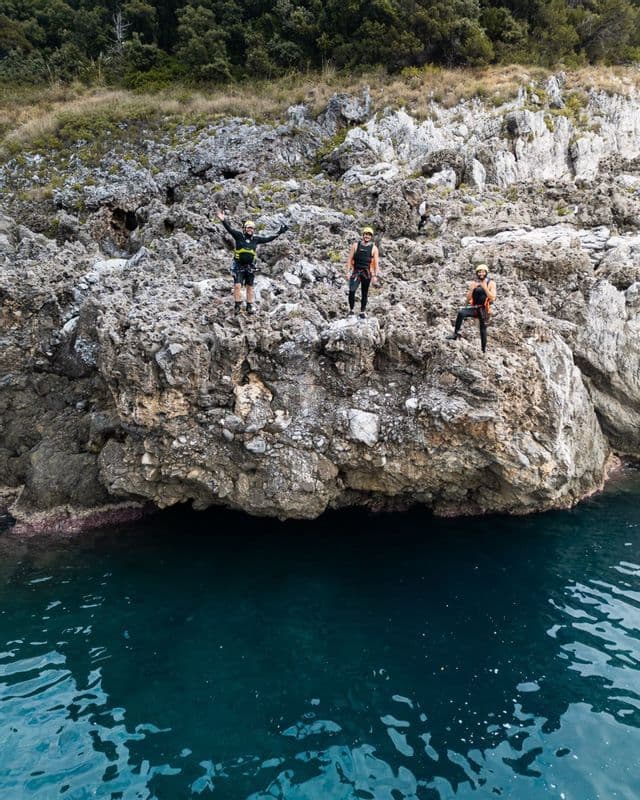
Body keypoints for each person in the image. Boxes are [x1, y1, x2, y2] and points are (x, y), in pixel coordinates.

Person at [216, 210, 288, 314]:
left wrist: (279, 232)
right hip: (238, 266)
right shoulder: (239, 236)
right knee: (237, 285)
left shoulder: (256, 239)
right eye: (248, 228)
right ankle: (237, 305)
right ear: (245, 229)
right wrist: (222, 219)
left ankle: (249, 306)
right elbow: (229, 229)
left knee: (249, 287)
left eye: (252, 228)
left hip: (250, 267)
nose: (250, 230)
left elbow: (268, 239)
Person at [446, 264, 496, 352]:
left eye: (483, 272)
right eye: (479, 272)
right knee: (461, 313)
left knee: (483, 329)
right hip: (475, 308)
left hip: (484, 309)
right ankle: (455, 334)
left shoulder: (491, 283)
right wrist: (472, 289)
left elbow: (492, 297)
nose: (481, 274)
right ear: (477, 273)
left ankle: (483, 349)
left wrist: (485, 288)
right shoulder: (474, 283)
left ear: (486, 273)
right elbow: (468, 298)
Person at [346, 226, 379, 319]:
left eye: (369, 235)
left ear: (371, 237)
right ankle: (351, 310)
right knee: (352, 290)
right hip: (356, 271)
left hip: (366, 273)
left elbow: (376, 262)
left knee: (364, 293)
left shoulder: (374, 248)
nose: (367, 236)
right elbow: (349, 259)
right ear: (363, 235)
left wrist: (375, 275)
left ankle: (362, 311)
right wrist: (348, 272)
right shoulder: (356, 245)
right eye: (366, 234)